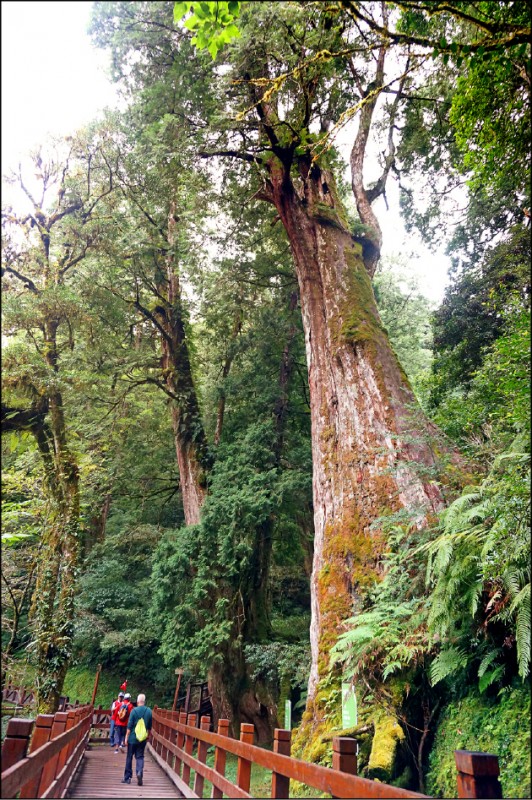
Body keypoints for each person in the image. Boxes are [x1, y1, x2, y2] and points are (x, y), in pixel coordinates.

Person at [121, 693, 152, 786]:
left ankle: (127, 778)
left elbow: (129, 726)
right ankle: (139, 772)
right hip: (142, 738)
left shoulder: (134, 711)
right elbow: (149, 727)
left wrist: (126, 737)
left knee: (129, 756)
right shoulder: (149, 711)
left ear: (138, 701)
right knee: (140, 756)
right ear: (144, 701)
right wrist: (148, 736)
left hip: (132, 739)